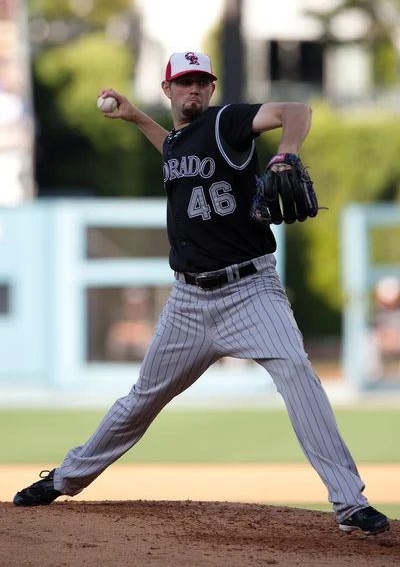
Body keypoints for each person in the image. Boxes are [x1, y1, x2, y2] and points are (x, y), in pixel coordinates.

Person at [14, 51, 390, 536]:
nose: (193, 90)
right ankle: (64, 479)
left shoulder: (226, 124)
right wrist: (134, 117)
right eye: (184, 83)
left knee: (298, 374)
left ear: (211, 89)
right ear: (168, 89)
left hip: (250, 290)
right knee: (142, 400)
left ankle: (349, 504)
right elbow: (172, 151)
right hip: (188, 303)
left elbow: (296, 111)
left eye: (201, 83)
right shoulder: (177, 142)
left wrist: (285, 151)